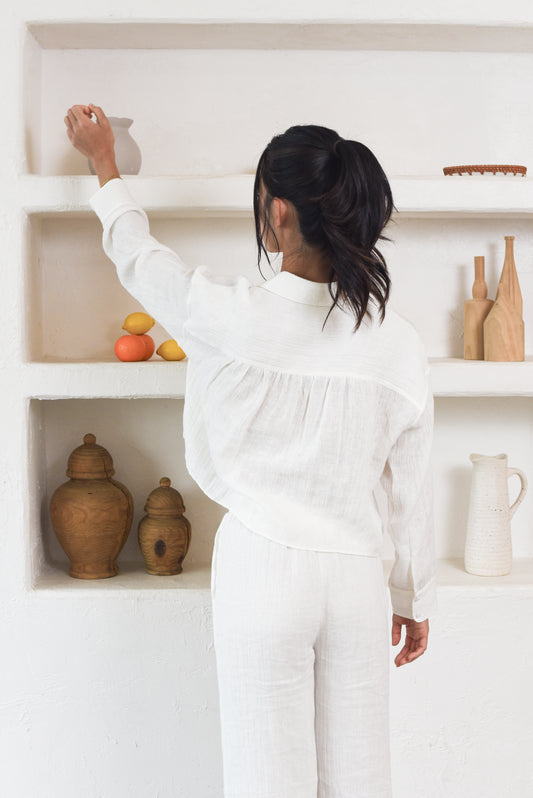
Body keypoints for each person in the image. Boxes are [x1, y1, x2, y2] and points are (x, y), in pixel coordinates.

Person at [64, 103, 438, 798]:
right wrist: (410, 596)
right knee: (361, 780)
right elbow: (407, 488)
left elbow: (139, 258)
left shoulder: (225, 312)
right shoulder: (397, 343)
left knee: (267, 779)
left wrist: (105, 163)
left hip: (262, 566)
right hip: (356, 578)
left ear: (281, 215)